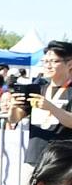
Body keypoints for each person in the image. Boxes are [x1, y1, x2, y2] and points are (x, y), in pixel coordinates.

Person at [21, 41, 72, 176]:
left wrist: (51, 107)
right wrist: (13, 107)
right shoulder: (37, 88)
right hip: (34, 157)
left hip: (63, 159)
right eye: (45, 61)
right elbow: (14, 118)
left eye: (54, 61)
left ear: (69, 64)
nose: (48, 65)